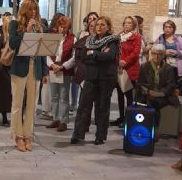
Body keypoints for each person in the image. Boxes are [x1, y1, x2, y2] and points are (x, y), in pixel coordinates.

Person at [71, 16, 119, 145]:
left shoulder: (112, 41)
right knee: (83, 106)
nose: (99, 27)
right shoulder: (89, 40)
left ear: (108, 27)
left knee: (102, 108)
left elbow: (110, 56)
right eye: (97, 24)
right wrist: (98, 55)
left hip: (106, 78)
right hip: (91, 77)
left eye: (103, 25)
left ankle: (100, 136)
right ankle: (78, 134)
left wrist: (93, 54)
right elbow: (83, 58)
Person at [9, 0, 48, 151]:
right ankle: (18, 136)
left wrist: (44, 71)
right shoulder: (15, 25)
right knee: (17, 103)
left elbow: (43, 51)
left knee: (32, 104)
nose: (33, 12)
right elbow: (13, 44)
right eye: (30, 9)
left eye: (35, 9)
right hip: (20, 68)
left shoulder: (40, 27)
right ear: (24, 10)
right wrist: (25, 31)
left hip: (35, 68)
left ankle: (28, 135)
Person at [136, 43, 179, 132]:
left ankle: (154, 128)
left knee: (153, 102)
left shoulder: (169, 68)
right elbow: (140, 83)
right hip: (148, 94)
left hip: (163, 96)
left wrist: (158, 93)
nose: (156, 56)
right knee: (148, 101)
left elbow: (171, 85)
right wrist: (148, 92)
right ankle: (148, 128)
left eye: (160, 54)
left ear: (163, 55)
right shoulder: (145, 66)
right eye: (154, 53)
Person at [46, 16, 76, 132]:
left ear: (68, 28)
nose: (62, 29)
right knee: (54, 96)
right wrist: (52, 65)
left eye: (65, 27)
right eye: (60, 27)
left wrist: (62, 66)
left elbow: (74, 57)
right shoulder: (52, 38)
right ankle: (55, 118)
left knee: (64, 97)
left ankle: (64, 121)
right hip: (53, 69)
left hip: (65, 70)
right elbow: (46, 53)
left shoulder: (73, 39)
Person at [114, 16, 142, 128]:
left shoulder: (136, 37)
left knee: (129, 96)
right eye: (125, 23)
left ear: (133, 25)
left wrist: (125, 61)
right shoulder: (118, 37)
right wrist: (117, 62)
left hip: (130, 69)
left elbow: (135, 53)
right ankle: (121, 117)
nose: (127, 25)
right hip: (119, 69)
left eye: (129, 23)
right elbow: (115, 51)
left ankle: (129, 118)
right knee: (120, 95)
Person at [154, 19, 182, 84]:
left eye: (170, 27)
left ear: (173, 29)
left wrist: (176, 53)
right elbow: (154, 50)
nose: (167, 29)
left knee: (177, 86)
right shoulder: (160, 38)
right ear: (163, 28)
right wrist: (163, 52)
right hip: (163, 66)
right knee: (164, 85)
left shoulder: (178, 39)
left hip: (177, 67)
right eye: (166, 27)